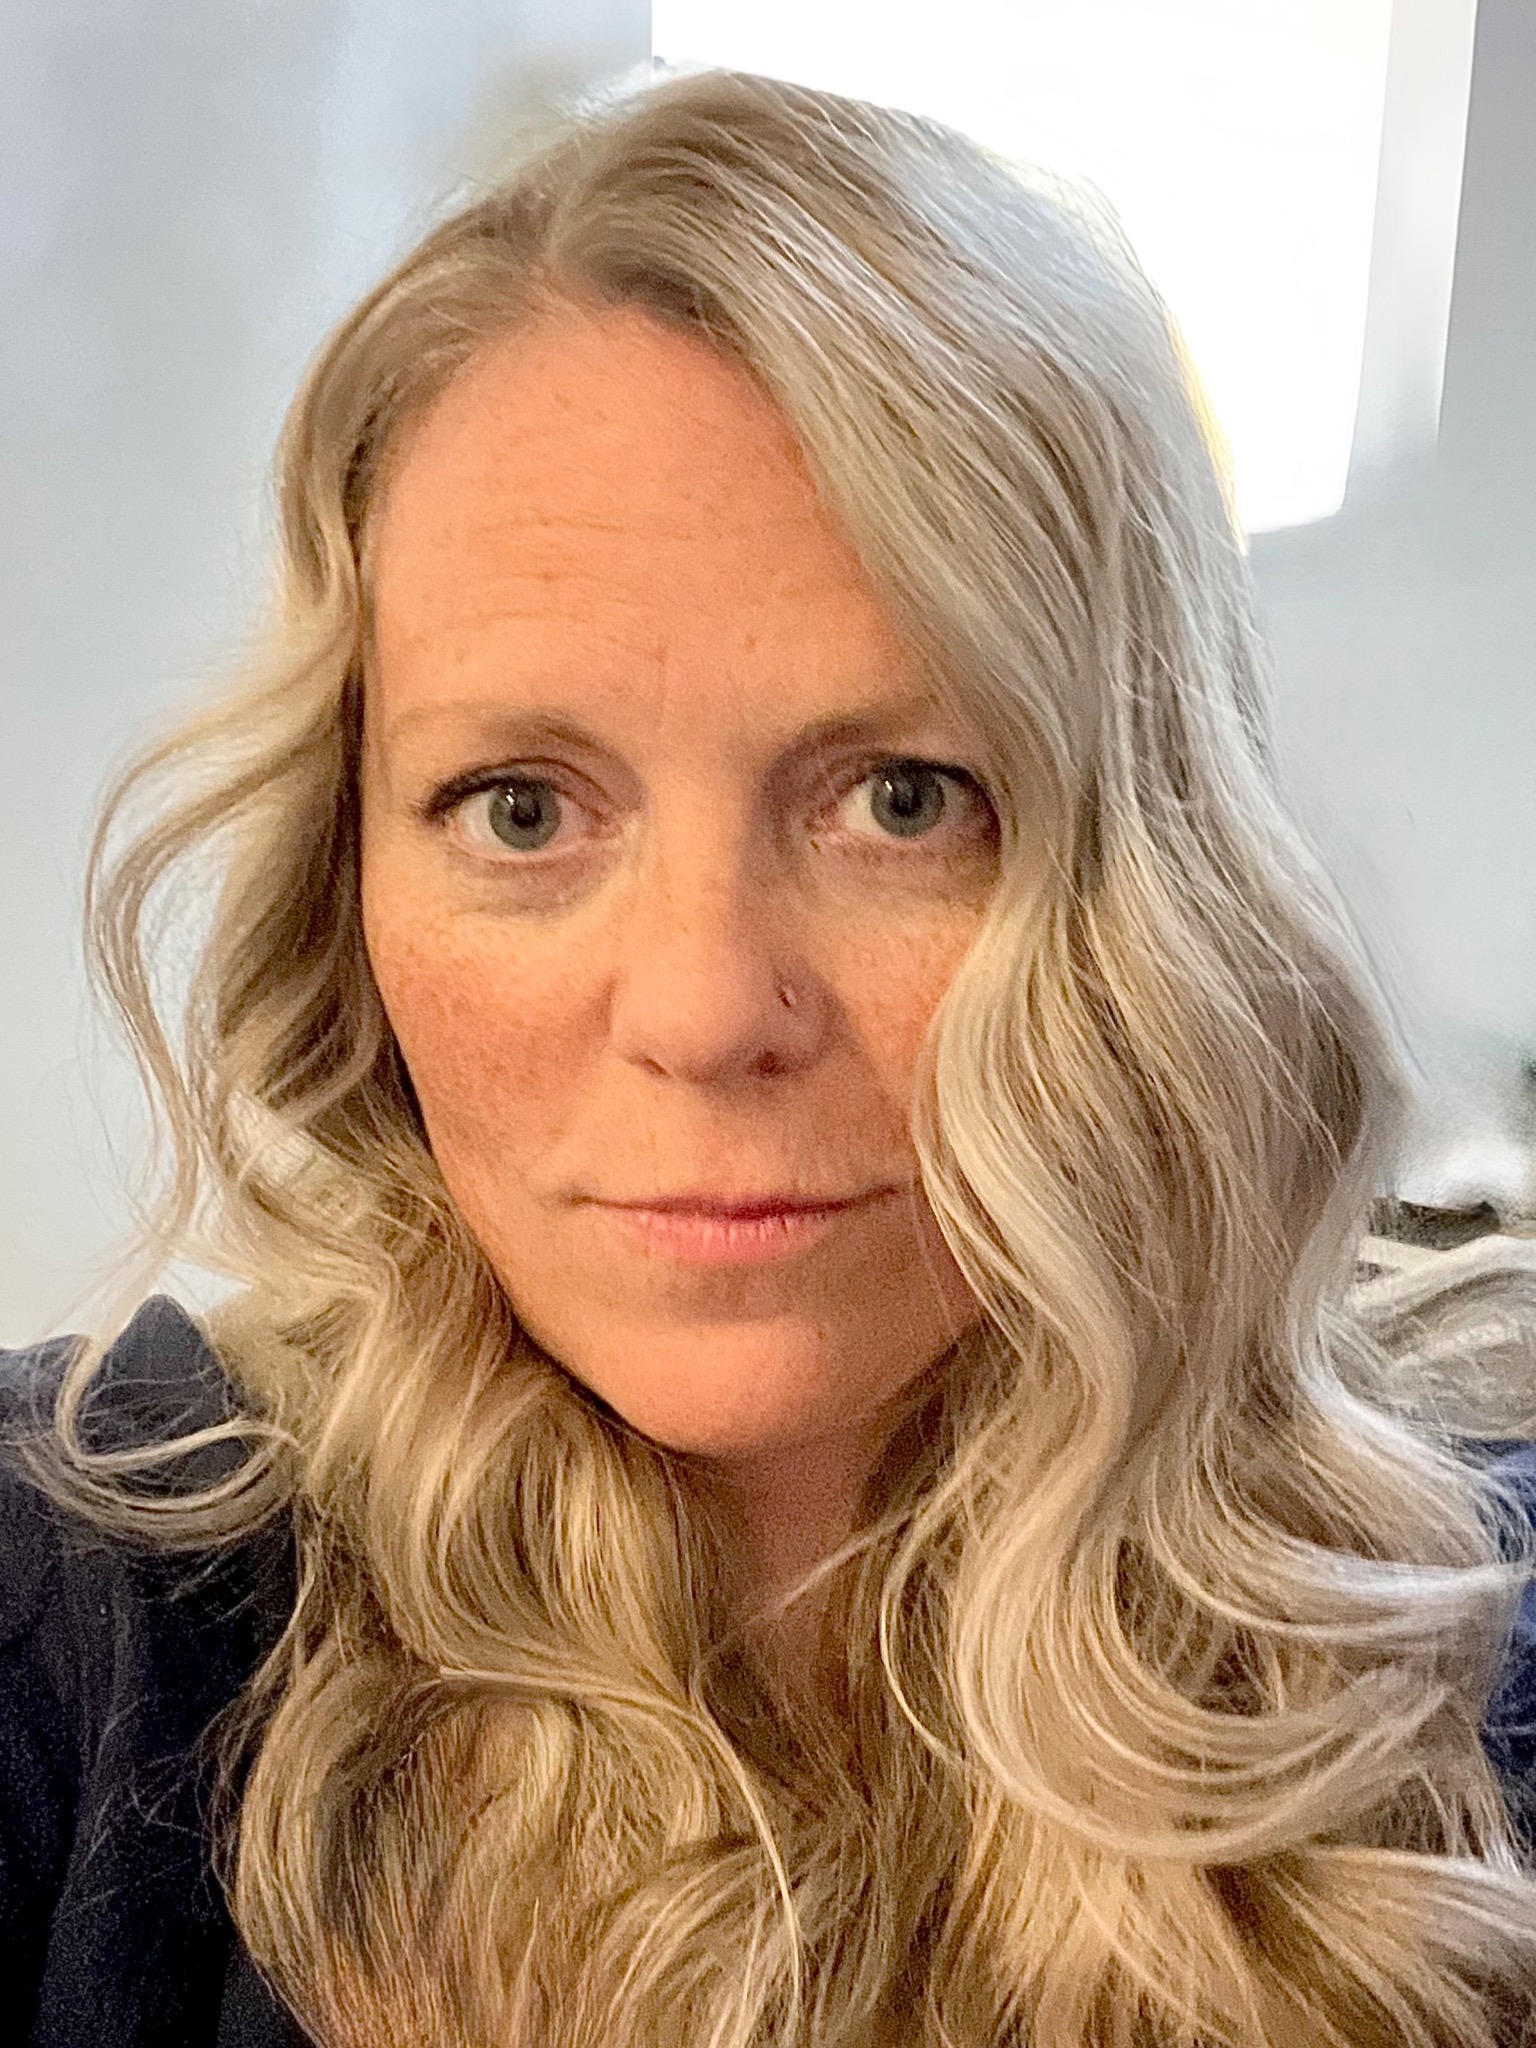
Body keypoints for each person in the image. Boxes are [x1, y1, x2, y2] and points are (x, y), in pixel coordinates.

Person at [3, 64, 1535, 2048]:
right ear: (347, 886)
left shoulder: (1460, 1677)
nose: (709, 1007)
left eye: (903, 798)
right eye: (522, 810)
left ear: (1157, 879)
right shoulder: (81, 1604)